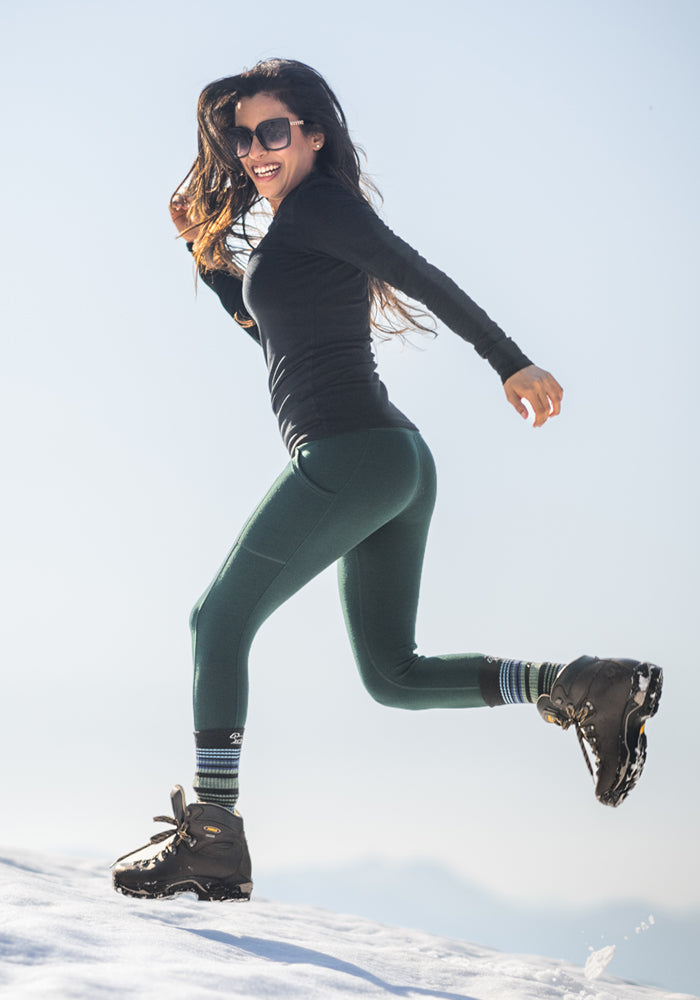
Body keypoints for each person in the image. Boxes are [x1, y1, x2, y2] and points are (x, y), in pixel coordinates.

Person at [112, 59, 662, 902]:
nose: (255, 149)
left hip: (352, 457)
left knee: (215, 620)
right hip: (391, 461)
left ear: (312, 133)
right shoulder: (295, 231)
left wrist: (509, 361)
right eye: (241, 135)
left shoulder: (323, 208)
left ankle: (214, 837)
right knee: (392, 675)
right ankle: (580, 685)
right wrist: (210, 258)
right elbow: (269, 336)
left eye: (273, 130)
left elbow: (420, 274)